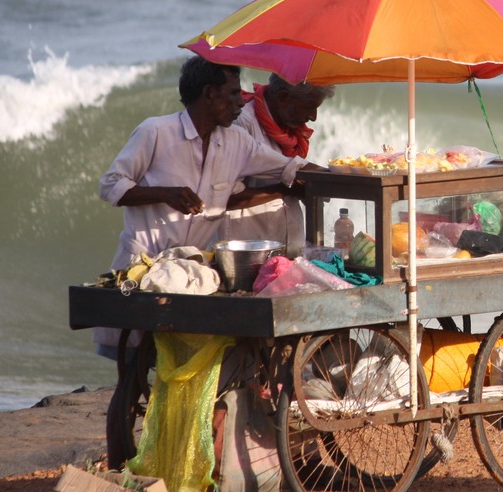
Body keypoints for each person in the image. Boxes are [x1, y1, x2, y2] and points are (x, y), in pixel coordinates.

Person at [95, 56, 308, 358]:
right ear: (209, 93)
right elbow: (110, 185)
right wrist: (164, 194)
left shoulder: (237, 141)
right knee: (134, 369)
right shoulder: (155, 132)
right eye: (234, 93)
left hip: (191, 275)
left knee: (185, 363)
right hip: (142, 268)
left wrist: (336, 175)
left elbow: (288, 168)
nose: (240, 102)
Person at [223, 74, 335, 257]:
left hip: (288, 249)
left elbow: (294, 172)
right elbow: (225, 197)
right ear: (283, 97)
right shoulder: (242, 124)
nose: (313, 117)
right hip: (248, 252)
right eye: (309, 107)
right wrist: (287, 189)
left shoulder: (292, 133)